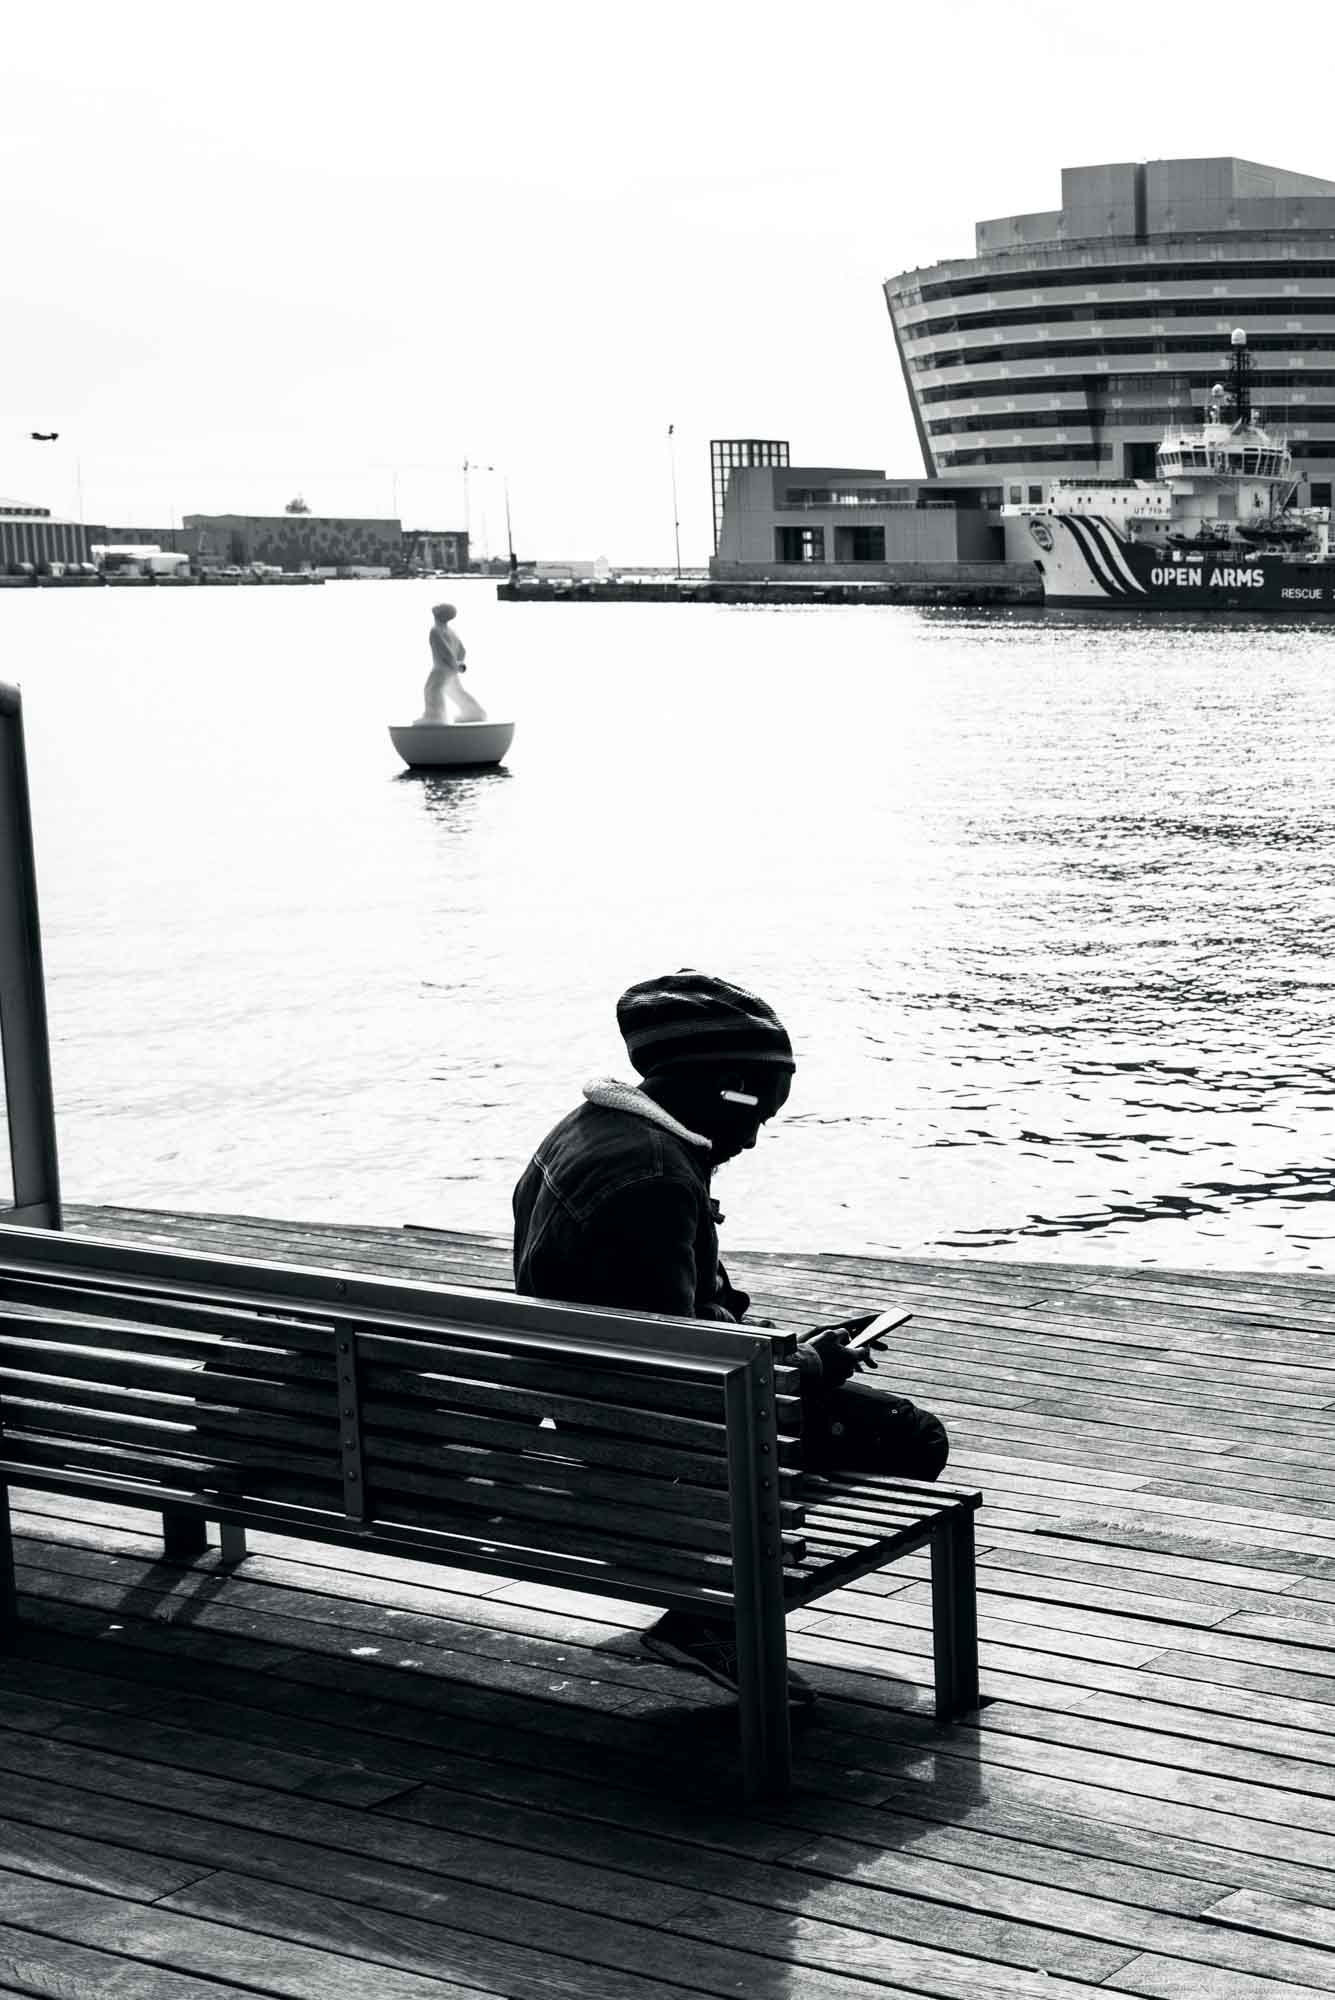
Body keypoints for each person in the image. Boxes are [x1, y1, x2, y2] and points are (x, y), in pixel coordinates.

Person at [512, 968, 949, 1701]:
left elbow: (656, 1318)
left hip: (579, 1386)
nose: (752, 1136)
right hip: (638, 1432)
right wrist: (808, 1366)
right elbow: (681, 1380)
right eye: (754, 1111)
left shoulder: (593, 1131)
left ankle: (707, 1599)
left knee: (842, 1413)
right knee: (908, 1437)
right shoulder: (652, 1178)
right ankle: (705, 1615)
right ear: (715, 1086)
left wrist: (784, 1345)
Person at [418, 602, 488, 724]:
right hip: (451, 668)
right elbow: (462, 650)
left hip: (441, 668)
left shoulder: (436, 631)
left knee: (431, 689)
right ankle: (474, 712)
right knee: (455, 691)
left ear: (438, 614)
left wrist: (455, 664)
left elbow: (445, 651)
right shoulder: (451, 632)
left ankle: (435, 716)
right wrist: (458, 663)